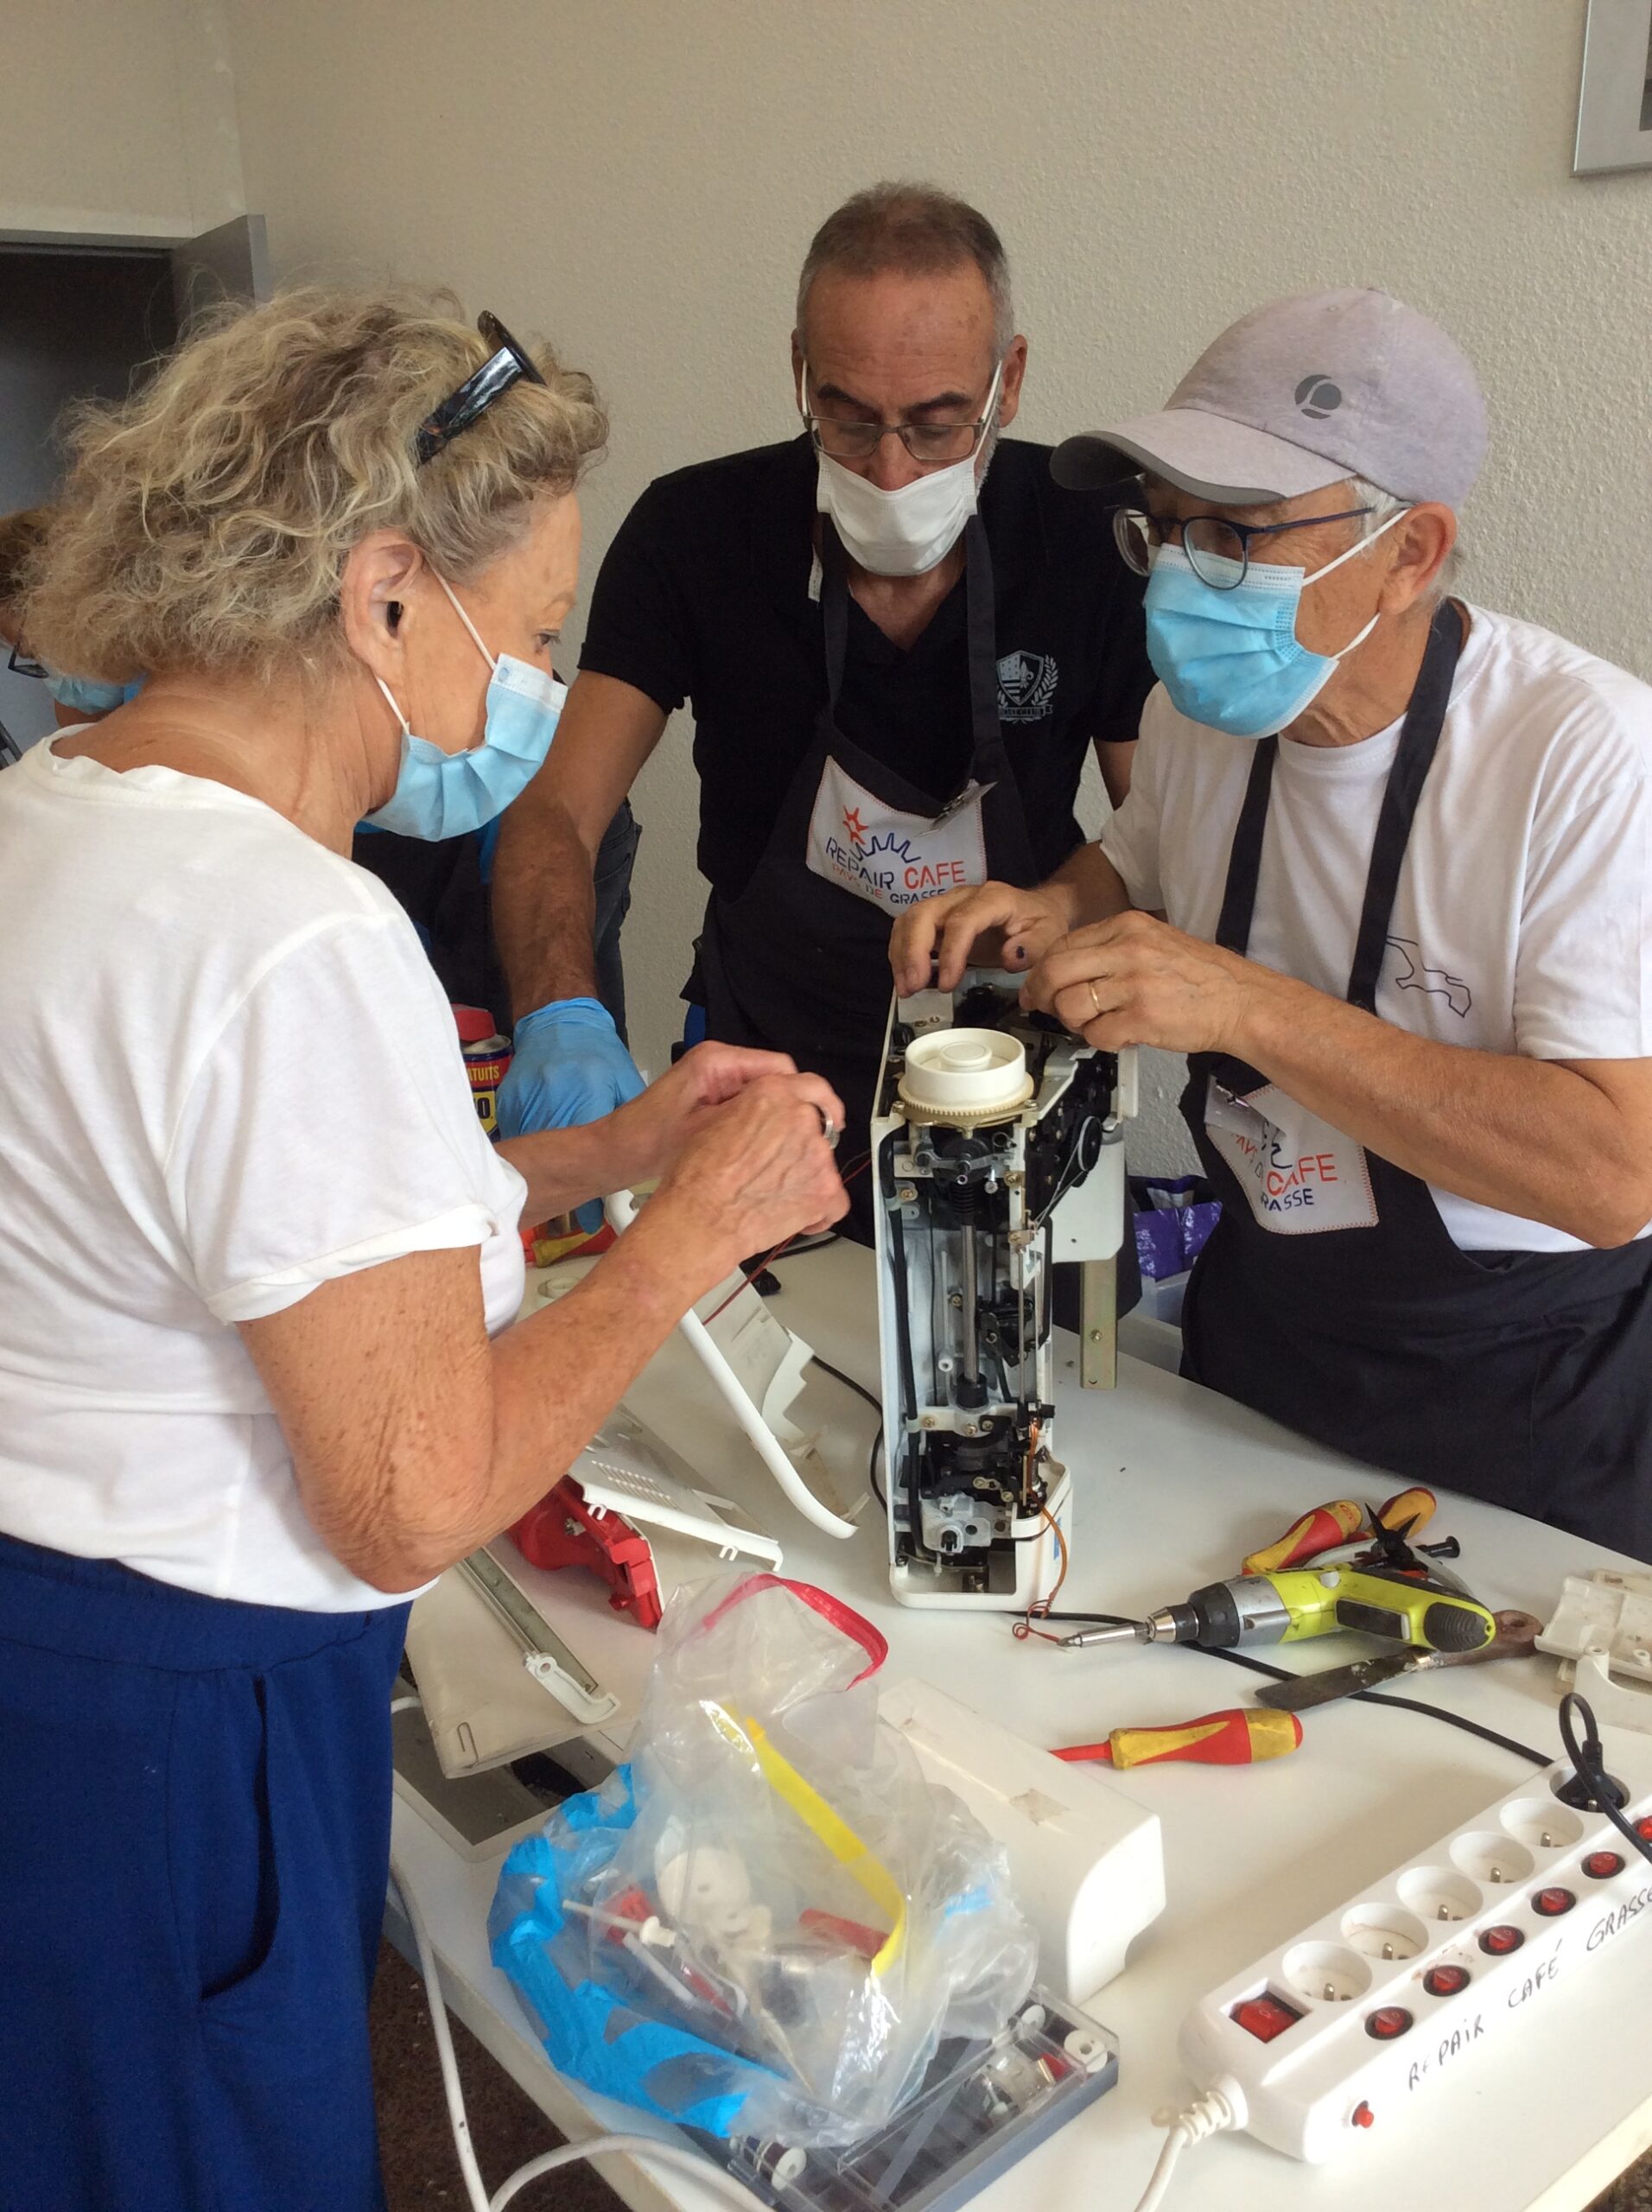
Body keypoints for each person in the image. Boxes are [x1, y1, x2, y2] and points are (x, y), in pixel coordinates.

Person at [0, 288, 845, 2212]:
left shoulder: (56, 817)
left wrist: (607, 1154)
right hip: (174, 1746)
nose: (534, 690)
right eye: (532, 636)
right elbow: (409, 1499)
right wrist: (682, 1242)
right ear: (384, 593)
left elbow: (257, 1223)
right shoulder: (293, 933)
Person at [893, 287, 1652, 1556]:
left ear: (1409, 553)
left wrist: (1243, 1005)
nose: (1177, 573)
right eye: (1164, 526)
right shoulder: (1201, 716)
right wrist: (1053, 903)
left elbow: (1610, 1176)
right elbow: (1135, 858)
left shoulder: (1585, 758)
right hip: (1263, 1342)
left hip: (1524, 1395)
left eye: (1235, 534)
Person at [491, 182, 1155, 1212]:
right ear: (800, 372)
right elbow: (556, 814)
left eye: (937, 427)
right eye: (848, 421)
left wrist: (1061, 907)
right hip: (765, 1061)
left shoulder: (1090, 538)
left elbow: (1160, 838)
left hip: (1014, 1073)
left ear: (1009, 381)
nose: (890, 471)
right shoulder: (693, 533)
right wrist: (559, 1014)